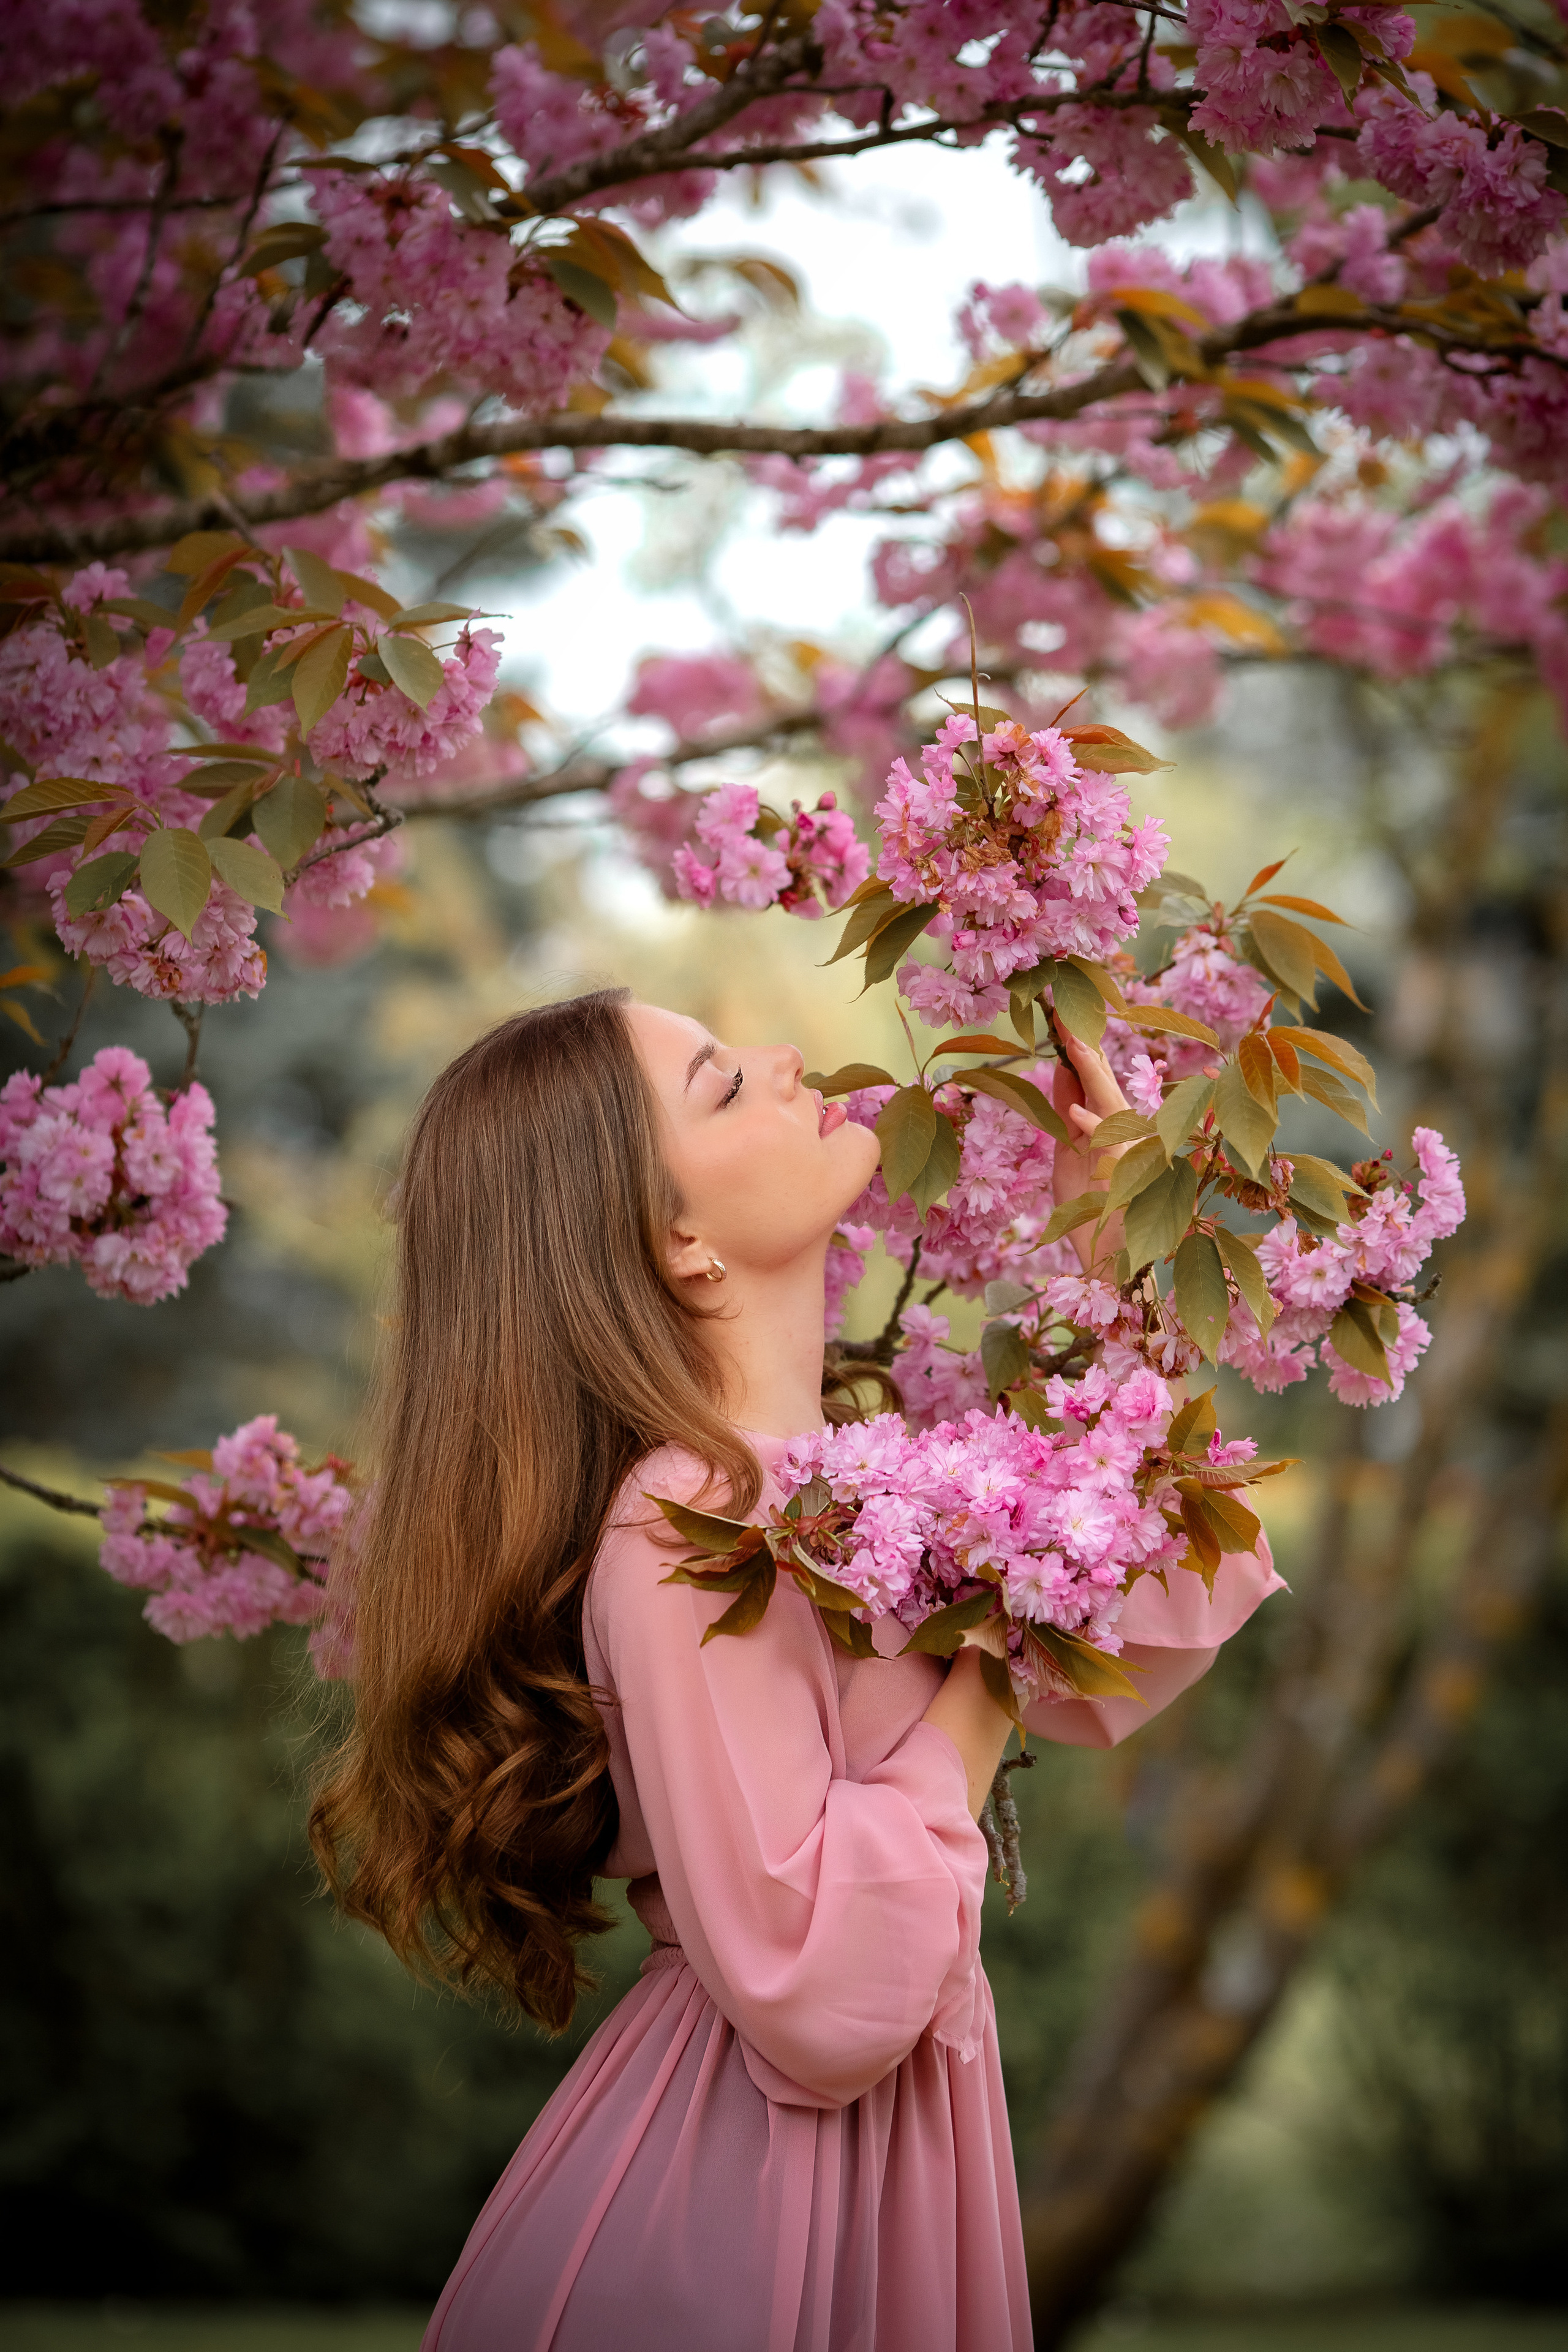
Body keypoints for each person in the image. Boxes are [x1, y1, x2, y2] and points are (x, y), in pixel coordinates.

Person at [311, 989, 1282, 2352]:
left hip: (864, 2162)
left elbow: (1148, 1628)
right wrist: (1001, 1642)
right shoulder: (685, 1522)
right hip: (749, 2200)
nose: (780, 1057)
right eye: (717, 1085)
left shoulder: (837, 1478)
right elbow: (822, 1986)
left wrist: (1114, 1252)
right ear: (678, 1244)